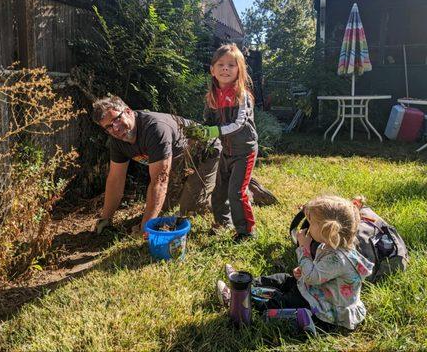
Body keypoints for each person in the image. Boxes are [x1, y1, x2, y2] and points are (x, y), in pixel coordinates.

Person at [217, 195, 374, 331]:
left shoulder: (338, 258)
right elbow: (320, 272)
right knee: (282, 279)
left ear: (328, 230)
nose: (308, 226)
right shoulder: (332, 247)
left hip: (322, 309)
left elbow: (313, 277)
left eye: (311, 223)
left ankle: (235, 298)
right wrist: (304, 269)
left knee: (281, 302)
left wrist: (304, 249)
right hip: (316, 291)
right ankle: (242, 284)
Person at [91, 95, 219, 235]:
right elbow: (116, 179)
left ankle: (226, 197)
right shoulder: (117, 141)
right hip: (179, 161)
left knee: (190, 209)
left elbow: (160, 180)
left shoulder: (155, 128)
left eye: (116, 120)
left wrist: (145, 229)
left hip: (207, 152)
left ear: (127, 111)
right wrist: (106, 218)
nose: (115, 129)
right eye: (108, 127)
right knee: (164, 209)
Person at [197, 43, 259, 242]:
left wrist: (216, 131)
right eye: (221, 64)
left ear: (239, 70)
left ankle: (246, 232)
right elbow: (208, 122)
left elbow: (239, 124)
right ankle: (224, 222)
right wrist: (201, 132)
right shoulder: (212, 97)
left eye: (231, 65)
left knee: (236, 192)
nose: (225, 68)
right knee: (219, 191)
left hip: (244, 151)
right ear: (212, 70)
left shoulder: (243, 95)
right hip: (226, 151)